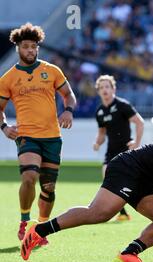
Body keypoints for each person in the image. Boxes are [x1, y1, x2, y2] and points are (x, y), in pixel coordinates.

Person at [21, 131, 153, 262]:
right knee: (100, 213)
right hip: (127, 168)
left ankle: (129, 254)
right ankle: (39, 230)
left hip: (144, 178)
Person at [0, 23, 77, 245]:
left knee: (49, 187)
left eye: (34, 46)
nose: (31, 50)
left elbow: (68, 94)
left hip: (52, 137)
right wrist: (5, 127)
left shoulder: (52, 70)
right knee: (29, 176)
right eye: (26, 46)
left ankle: (40, 229)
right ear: (18, 48)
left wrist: (69, 111)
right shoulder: (8, 78)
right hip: (27, 136)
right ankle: (25, 222)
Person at [93, 75, 145, 221]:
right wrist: (97, 142)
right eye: (101, 88)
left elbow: (139, 122)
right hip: (111, 150)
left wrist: (137, 143)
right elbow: (102, 133)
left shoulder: (122, 105)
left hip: (125, 149)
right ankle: (122, 212)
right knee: (107, 176)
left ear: (113, 89)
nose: (104, 90)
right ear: (98, 91)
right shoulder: (100, 112)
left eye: (107, 87)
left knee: (131, 181)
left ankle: (141, 205)